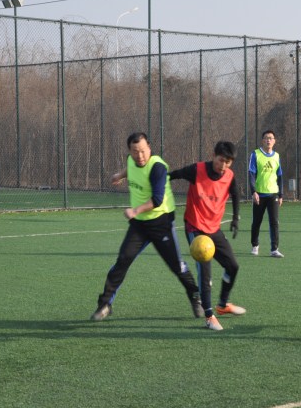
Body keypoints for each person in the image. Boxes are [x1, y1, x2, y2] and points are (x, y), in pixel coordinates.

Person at [90, 132, 203, 322]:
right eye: (135, 151)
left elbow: (157, 200)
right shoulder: (131, 160)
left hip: (161, 222)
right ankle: (105, 304)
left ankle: (195, 296)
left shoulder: (157, 167)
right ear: (129, 151)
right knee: (122, 260)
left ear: (149, 147)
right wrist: (120, 175)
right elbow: (130, 167)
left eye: (143, 151)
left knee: (177, 265)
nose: (140, 155)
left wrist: (135, 211)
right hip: (140, 225)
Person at [168, 141, 246, 331]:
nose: (223, 165)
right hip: (195, 227)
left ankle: (223, 304)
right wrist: (157, 182)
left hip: (213, 228)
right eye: (221, 160)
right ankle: (209, 316)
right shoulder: (197, 170)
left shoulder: (229, 176)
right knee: (205, 272)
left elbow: (236, 194)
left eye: (228, 162)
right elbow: (174, 175)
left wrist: (235, 218)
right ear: (213, 156)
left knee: (232, 266)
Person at [248, 129, 284, 258]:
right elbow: (251, 174)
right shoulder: (255, 154)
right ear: (262, 140)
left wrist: (281, 194)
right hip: (259, 194)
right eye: (266, 138)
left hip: (273, 194)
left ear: (274, 141)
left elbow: (280, 176)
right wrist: (254, 192)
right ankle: (255, 245)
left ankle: (274, 249)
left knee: (274, 222)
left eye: (271, 138)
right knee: (257, 221)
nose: (268, 140)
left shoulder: (277, 156)